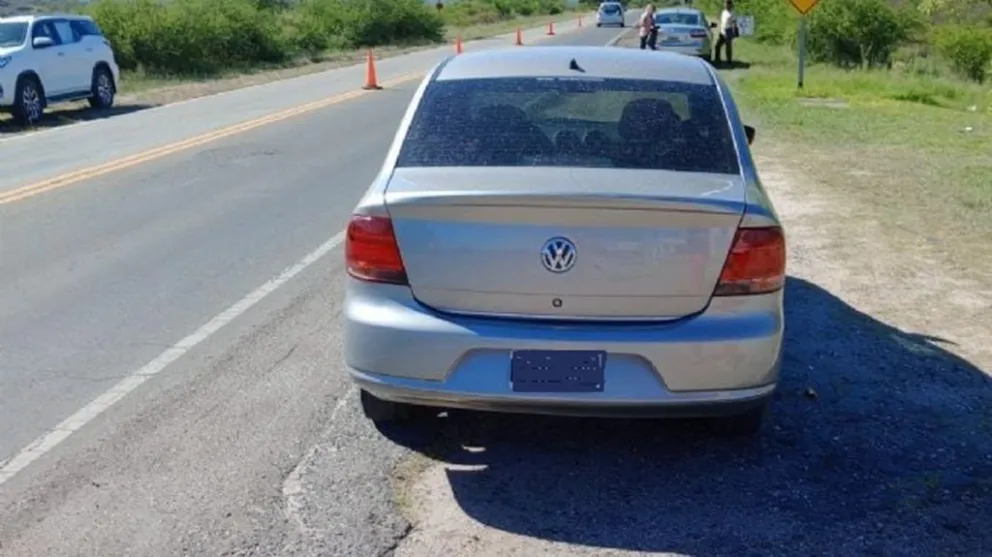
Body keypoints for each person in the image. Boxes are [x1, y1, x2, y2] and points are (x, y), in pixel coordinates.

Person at [714, 0, 737, 65]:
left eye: (726, 4)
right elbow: (721, 20)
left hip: (728, 30)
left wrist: (734, 31)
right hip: (722, 31)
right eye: (725, 4)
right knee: (717, 46)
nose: (725, 5)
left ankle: (729, 60)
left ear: (730, 5)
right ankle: (717, 59)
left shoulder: (732, 12)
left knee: (728, 46)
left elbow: (734, 22)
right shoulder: (724, 12)